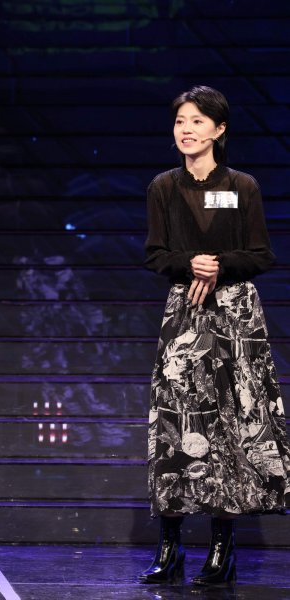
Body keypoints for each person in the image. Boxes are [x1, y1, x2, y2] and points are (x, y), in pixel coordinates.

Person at [140, 86, 290, 586]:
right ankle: (170, 543)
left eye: (198, 121)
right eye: (180, 121)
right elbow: (156, 254)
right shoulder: (163, 186)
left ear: (219, 129)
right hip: (185, 311)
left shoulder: (242, 185)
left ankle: (223, 547)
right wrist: (192, 263)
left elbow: (262, 254)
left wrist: (220, 265)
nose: (186, 129)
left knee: (230, 423)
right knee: (176, 422)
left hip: (235, 316)